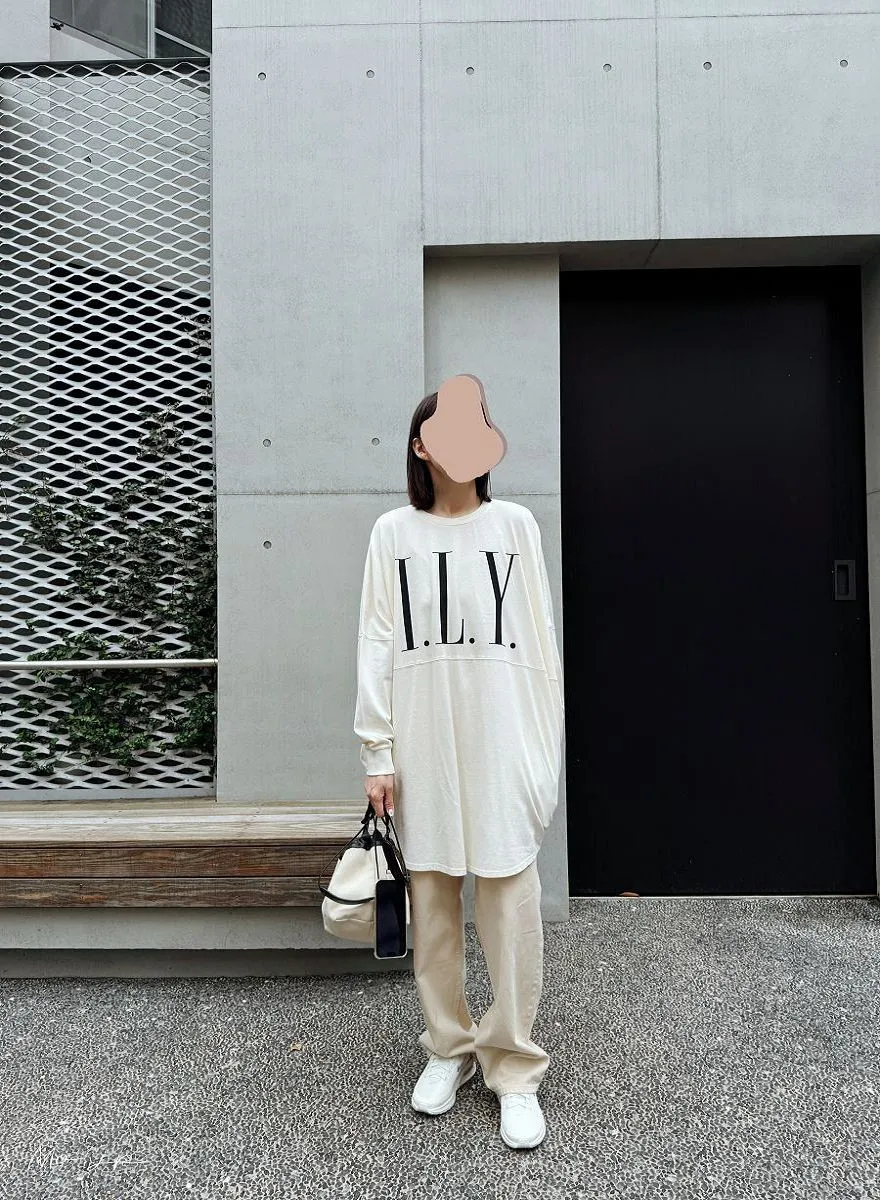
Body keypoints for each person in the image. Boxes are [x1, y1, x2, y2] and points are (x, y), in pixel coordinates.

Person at [353, 385, 565, 1151]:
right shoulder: (393, 533)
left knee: (509, 906)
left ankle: (513, 1066)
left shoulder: (515, 527)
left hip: (502, 738)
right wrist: (377, 751)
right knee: (435, 905)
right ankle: (449, 1046)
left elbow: (540, 647)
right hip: (422, 743)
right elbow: (377, 641)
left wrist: (542, 752)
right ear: (421, 447)